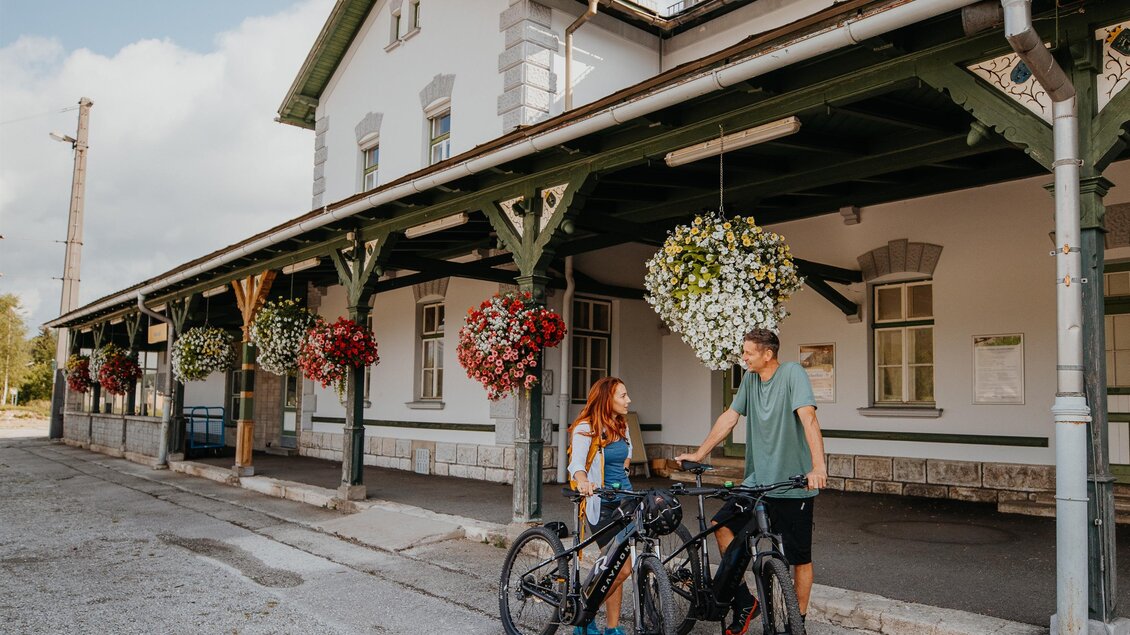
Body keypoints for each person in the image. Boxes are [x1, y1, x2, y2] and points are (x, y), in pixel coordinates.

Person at [676, 328, 827, 635]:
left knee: (799, 558)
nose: (743, 357)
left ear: (767, 354)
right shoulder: (750, 380)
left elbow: (808, 417)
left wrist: (818, 466)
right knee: (722, 526)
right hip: (756, 482)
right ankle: (744, 600)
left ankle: (796, 623)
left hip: (792, 484)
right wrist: (700, 452)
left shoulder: (792, 374)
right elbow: (730, 417)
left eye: (748, 353)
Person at [567, 376, 634, 635]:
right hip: (602, 504)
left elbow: (626, 454)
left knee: (615, 566)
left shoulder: (621, 425)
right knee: (620, 566)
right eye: (623, 396)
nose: (628, 400)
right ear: (608, 399)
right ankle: (585, 615)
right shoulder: (586, 427)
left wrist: (624, 471)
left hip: (626, 501)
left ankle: (613, 628)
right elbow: (577, 465)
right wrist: (584, 482)